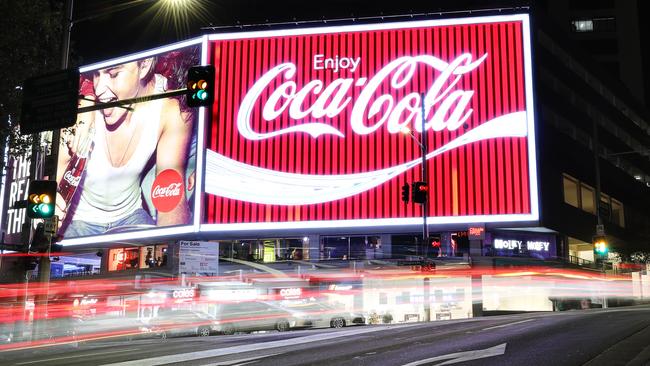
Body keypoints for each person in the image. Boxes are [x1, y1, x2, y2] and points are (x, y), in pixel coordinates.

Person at [56, 55, 194, 238]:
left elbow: (171, 197)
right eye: (96, 75)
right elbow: (52, 180)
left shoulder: (170, 109)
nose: (99, 89)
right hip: (77, 222)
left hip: (131, 217)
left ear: (144, 66)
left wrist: (172, 255)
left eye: (113, 74)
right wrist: (48, 211)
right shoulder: (81, 114)